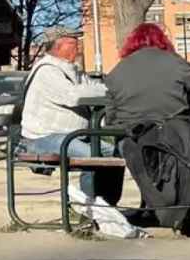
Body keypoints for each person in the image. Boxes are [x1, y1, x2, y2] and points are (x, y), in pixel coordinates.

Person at [105, 23, 190, 234]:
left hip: (133, 139)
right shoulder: (173, 62)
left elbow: (110, 116)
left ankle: (156, 209)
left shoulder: (117, 70)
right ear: (161, 40)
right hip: (175, 132)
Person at [19, 27, 122, 205]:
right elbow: (74, 96)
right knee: (92, 157)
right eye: (74, 43)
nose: (78, 48)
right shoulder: (47, 71)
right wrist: (106, 90)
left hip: (74, 135)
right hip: (43, 137)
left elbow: (97, 88)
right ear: (59, 46)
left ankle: (107, 205)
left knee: (115, 155)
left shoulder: (73, 70)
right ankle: (89, 209)